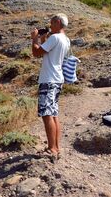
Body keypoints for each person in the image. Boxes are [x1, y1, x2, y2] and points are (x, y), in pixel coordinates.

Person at [31, 13, 70, 161]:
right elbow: (49, 51)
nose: (50, 25)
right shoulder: (65, 39)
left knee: (47, 115)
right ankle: (56, 147)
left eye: (52, 23)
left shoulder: (54, 38)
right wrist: (43, 39)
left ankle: (51, 148)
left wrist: (34, 38)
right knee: (53, 114)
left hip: (48, 79)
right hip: (58, 79)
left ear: (58, 22)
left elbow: (36, 52)